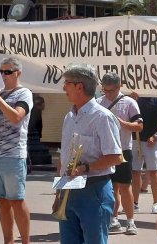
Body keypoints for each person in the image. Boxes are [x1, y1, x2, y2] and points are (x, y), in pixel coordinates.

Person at [52, 63, 122, 244]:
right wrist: (58, 194)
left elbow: (116, 157)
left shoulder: (102, 117)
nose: (63, 87)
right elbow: (65, 155)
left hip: (94, 190)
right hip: (68, 189)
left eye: (67, 83)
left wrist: (86, 167)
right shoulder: (69, 117)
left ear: (79, 86)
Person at [0, 57, 33, 244]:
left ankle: (26, 241)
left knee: (17, 200)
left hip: (12, 154)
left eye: (8, 72)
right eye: (1, 72)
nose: (3, 75)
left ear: (18, 73)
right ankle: (8, 241)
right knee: (2, 201)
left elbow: (16, 117)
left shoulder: (24, 93)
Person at [96, 73, 143, 235]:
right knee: (110, 187)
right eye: (105, 90)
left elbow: (139, 126)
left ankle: (130, 221)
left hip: (123, 149)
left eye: (111, 90)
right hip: (104, 151)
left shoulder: (129, 102)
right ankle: (113, 219)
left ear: (119, 86)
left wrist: (123, 124)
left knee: (124, 186)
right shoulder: (98, 102)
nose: (107, 94)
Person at [130, 92, 157, 215]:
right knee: (135, 172)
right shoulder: (134, 100)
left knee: (153, 171)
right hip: (135, 139)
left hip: (150, 142)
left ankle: (156, 203)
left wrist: (155, 136)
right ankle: (135, 203)